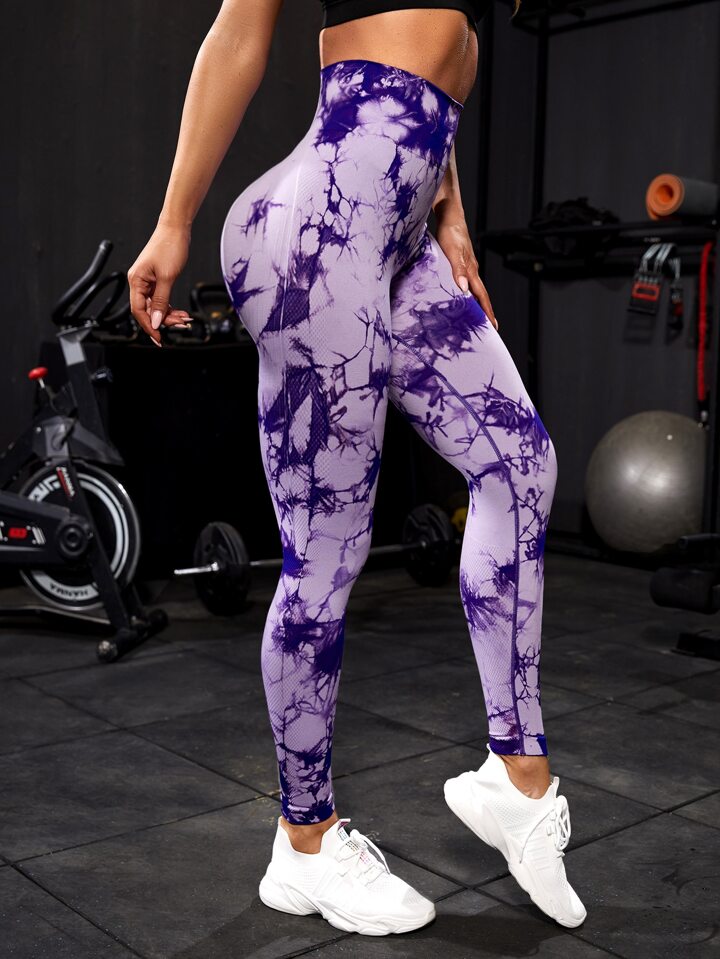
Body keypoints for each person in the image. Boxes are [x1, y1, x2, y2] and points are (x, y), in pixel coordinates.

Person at [128, 0, 586, 937]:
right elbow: (239, 31)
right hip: (320, 230)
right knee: (325, 553)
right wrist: (173, 222)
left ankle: (517, 775)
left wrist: (449, 207)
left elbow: (437, 64)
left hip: (399, 229)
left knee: (521, 466)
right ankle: (303, 839)